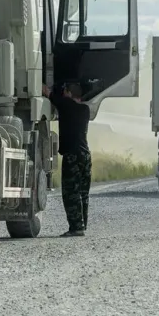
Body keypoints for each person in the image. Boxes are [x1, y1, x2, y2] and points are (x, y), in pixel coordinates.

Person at [48, 81, 92, 237]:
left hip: (72, 155)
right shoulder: (85, 109)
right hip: (85, 154)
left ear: (68, 93)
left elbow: (49, 94)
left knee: (70, 192)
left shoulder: (66, 105)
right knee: (83, 192)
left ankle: (76, 227)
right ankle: (82, 224)